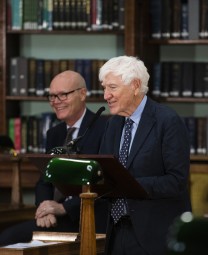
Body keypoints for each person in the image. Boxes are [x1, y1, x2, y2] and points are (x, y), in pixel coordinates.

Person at [0, 70, 108, 245]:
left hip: (87, 218)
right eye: (52, 96)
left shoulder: (104, 128)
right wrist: (46, 208)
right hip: (54, 218)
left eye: (63, 95)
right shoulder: (54, 133)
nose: (56, 102)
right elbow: (44, 181)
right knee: (7, 239)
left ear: (82, 94)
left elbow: (104, 183)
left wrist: (62, 208)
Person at [98, 56, 191, 255]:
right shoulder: (112, 124)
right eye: (104, 88)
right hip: (115, 231)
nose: (106, 95)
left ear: (135, 85)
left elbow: (177, 181)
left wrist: (131, 185)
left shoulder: (167, 121)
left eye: (112, 87)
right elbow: (104, 173)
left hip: (153, 235)